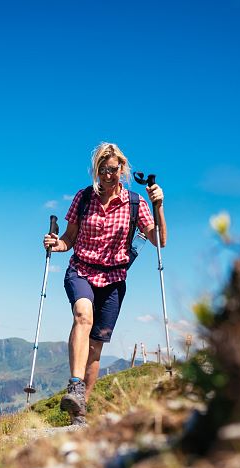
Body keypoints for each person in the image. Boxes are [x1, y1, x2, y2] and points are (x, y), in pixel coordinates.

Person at [43, 142, 167, 426]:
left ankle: (79, 412)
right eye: (102, 170)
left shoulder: (136, 203)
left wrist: (159, 205)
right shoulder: (83, 198)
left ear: (122, 169)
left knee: (96, 347)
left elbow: (159, 240)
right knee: (82, 316)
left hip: (114, 279)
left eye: (113, 169)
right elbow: (68, 239)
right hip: (82, 271)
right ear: (95, 171)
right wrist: (55, 243)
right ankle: (75, 385)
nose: (108, 175)